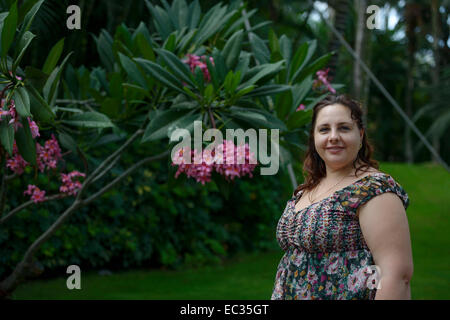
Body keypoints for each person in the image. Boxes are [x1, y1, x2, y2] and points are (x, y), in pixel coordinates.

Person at [271, 94, 414, 300]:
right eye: (324, 129)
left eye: (344, 128)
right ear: (314, 137)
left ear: (361, 134)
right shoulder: (308, 189)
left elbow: (396, 276)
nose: (333, 136)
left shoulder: (373, 189)